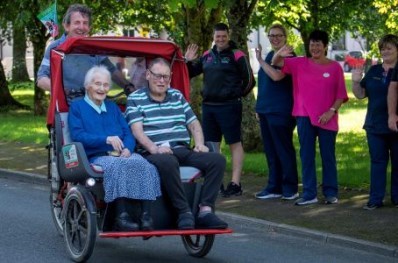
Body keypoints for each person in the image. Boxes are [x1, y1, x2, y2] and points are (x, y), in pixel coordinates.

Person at [125, 58, 228, 229]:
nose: (162, 81)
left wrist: (200, 144)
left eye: (166, 77)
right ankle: (184, 212)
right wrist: (155, 149)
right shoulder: (136, 98)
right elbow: (137, 131)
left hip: (180, 148)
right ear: (148, 75)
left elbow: (194, 124)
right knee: (168, 161)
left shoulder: (177, 96)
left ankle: (205, 210)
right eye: (157, 76)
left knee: (217, 160)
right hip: (152, 152)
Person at [68, 65, 161, 231]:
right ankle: (121, 216)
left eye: (105, 85)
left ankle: (146, 215)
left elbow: (128, 133)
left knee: (146, 166)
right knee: (118, 166)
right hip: (95, 155)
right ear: (88, 85)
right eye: (97, 84)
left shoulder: (112, 107)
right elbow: (78, 136)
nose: (102, 88)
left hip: (121, 154)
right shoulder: (77, 107)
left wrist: (128, 149)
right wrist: (106, 139)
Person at [263, 29, 349, 206]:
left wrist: (331, 111)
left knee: (328, 156)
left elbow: (340, 95)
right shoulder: (299, 62)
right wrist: (280, 52)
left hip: (327, 118)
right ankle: (309, 194)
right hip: (303, 117)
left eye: (318, 44)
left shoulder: (334, 67)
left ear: (325, 46)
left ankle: (331, 192)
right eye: (312, 44)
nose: (315, 47)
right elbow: (275, 62)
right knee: (307, 156)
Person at [184, 23, 255, 197]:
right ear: (214, 38)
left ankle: (235, 183)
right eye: (218, 37)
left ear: (228, 36)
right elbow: (190, 73)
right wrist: (186, 60)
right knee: (211, 145)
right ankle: (216, 183)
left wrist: (234, 96)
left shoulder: (237, 55)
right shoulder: (207, 55)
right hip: (209, 107)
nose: (221, 39)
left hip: (230, 106)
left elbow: (250, 82)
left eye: (223, 36)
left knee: (234, 143)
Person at [37, 4, 135, 102]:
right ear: (66, 26)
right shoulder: (54, 48)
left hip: (93, 106)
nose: (81, 27)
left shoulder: (94, 48)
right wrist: (62, 90)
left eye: (85, 23)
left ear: (89, 27)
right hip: (65, 107)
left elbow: (111, 70)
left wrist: (128, 86)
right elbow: (41, 79)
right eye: (77, 23)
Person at [352, 34, 398, 210]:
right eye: (382, 49)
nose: (385, 51)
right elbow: (361, 95)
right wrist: (356, 82)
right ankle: (375, 199)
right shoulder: (374, 71)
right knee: (378, 162)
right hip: (374, 125)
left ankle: (396, 198)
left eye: (389, 48)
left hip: (396, 126)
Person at [254, 24, 299, 200]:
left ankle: (290, 187)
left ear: (285, 37)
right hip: (266, 110)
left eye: (279, 35)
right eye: (272, 36)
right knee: (271, 151)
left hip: (281, 111)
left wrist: (260, 61)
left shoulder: (288, 55)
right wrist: (259, 107)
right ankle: (274, 186)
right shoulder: (271, 54)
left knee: (283, 149)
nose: (275, 39)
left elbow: (277, 76)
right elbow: (265, 83)